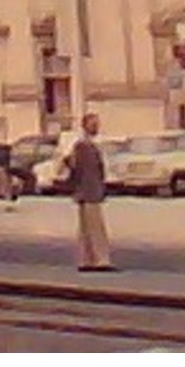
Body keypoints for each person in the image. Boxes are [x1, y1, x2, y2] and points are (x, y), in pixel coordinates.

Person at [62, 113, 116, 272]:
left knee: (86, 228)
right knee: (95, 227)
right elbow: (81, 170)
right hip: (90, 190)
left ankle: (86, 259)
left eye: (97, 124)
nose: (97, 127)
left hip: (85, 191)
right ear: (85, 125)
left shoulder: (84, 145)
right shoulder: (83, 146)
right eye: (94, 124)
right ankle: (100, 260)